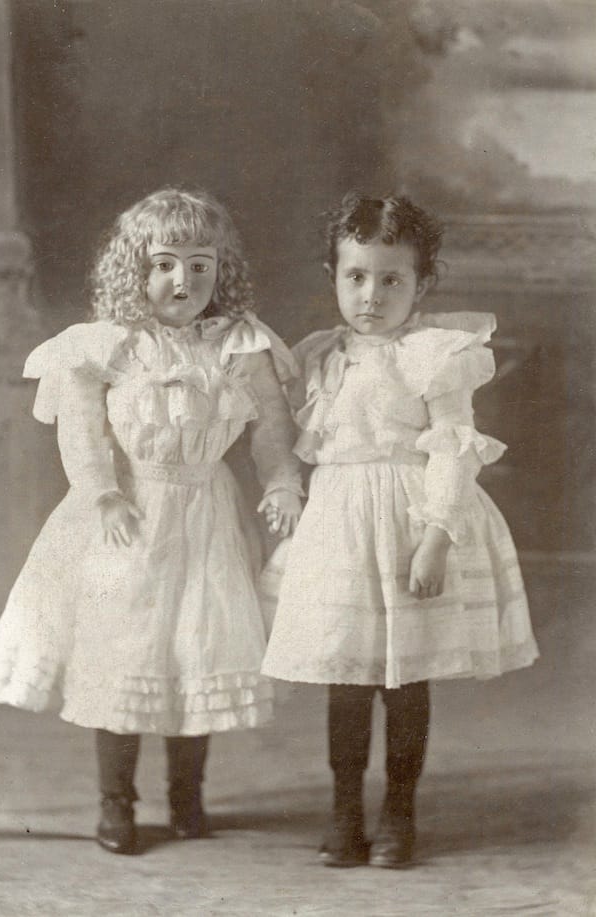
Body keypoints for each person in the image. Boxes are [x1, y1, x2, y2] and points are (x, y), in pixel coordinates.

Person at [0, 187, 302, 855]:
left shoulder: (239, 343)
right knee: (124, 652)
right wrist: (101, 493)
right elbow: (83, 429)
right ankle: (115, 803)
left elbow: (270, 426)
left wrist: (282, 479)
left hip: (206, 513)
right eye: (164, 264)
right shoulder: (106, 345)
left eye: (199, 265)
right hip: (130, 512)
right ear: (134, 268)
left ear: (220, 269)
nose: (182, 280)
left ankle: (188, 798)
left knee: (195, 648)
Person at [260, 192, 539, 869]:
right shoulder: (321, 354)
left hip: (411, 517)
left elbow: (451, 445)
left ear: (422, 283)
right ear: (333, 274)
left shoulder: (434, 353)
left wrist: (438, 533)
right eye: (355, 276)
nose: (372, 295)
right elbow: (304, 444)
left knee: (406, 679)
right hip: (340, 524)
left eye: (392, 279)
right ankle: (345, 809)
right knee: (346, 677)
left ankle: (399, 812)